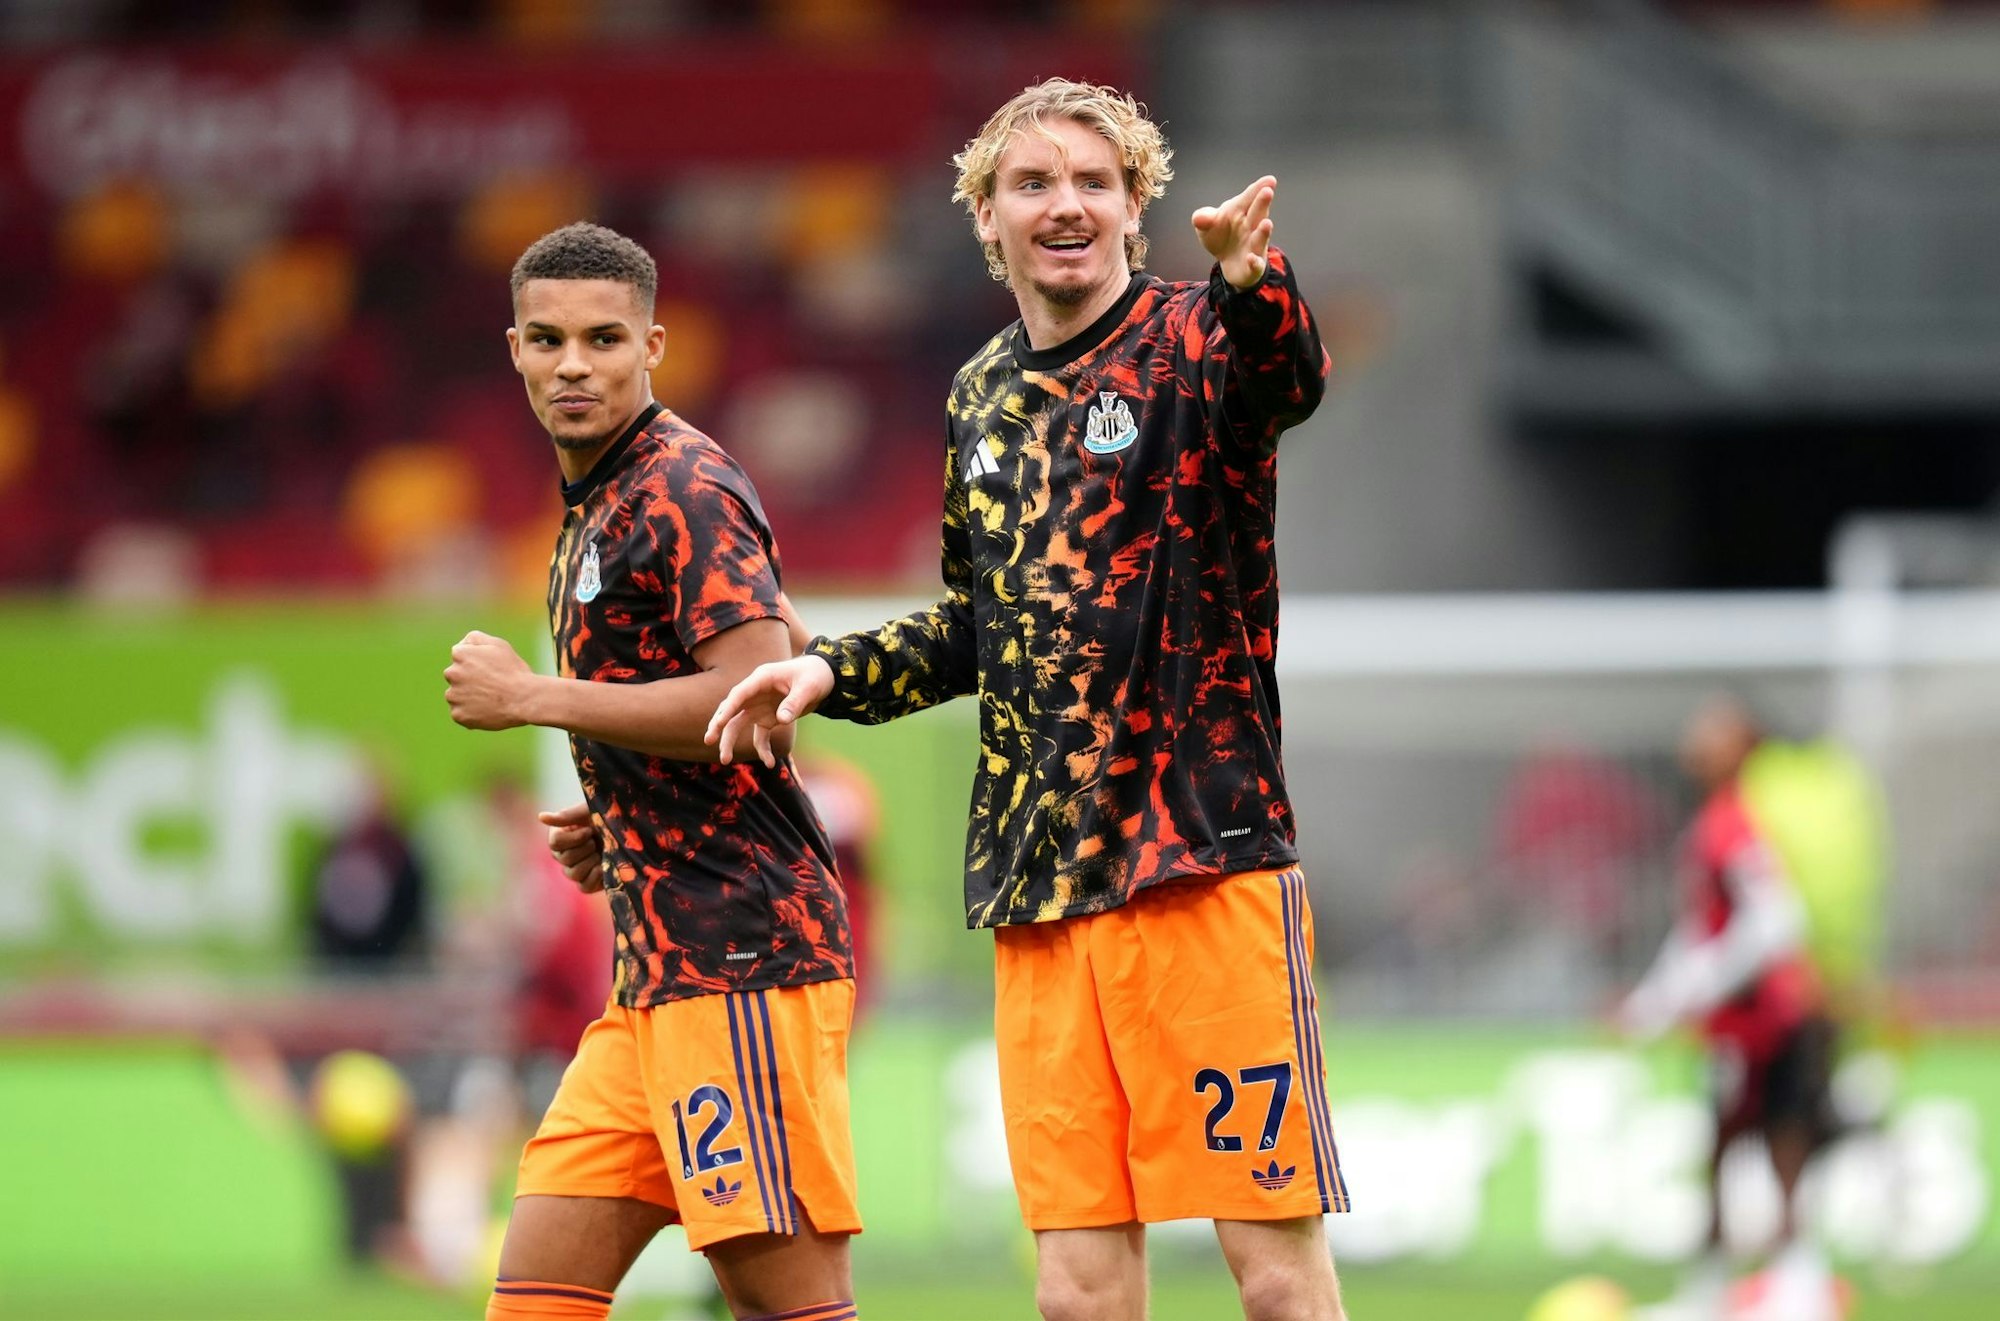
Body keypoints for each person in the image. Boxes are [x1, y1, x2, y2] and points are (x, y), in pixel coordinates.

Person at [705, 79, 1349, 1321]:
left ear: (1135, 208)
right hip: (1043, 893)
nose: (1065, 205)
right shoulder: (977, 398)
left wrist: (1253, 284)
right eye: (1032, 184)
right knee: (1074, 1291)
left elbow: (1289, 380)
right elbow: (976, 621)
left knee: (1271, 1276)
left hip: (1202, 868)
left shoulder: (1195, 336)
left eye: (1093, 183)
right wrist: (830, 668)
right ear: (986, 218)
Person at [442, 221, 861, 1321]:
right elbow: (784, 651)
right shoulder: (598, 501)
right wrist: (626, 807)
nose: (572, 363)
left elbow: (764, 695)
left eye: (601, 338)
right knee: (534, 1295)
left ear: (652, 345)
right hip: (654, 977)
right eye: (547, 340)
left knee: (791, 1305)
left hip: (743, 962)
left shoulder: (683, 481)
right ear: (515, 351)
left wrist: (534, 698)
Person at [1621, 696, 1844, 1321]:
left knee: (1774, 1148)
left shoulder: (1734, 826)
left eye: (1713, 728)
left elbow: (1775, 920)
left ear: (1741, 747)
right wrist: (1654, 1004)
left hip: (1765, 1023)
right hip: (1747, 1023)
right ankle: (1747, 1287)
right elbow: (1701, 928)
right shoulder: (1717, 822)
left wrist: (1701, 988)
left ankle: (1783, 1288)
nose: (1695, 737)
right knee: (1740, 1148)